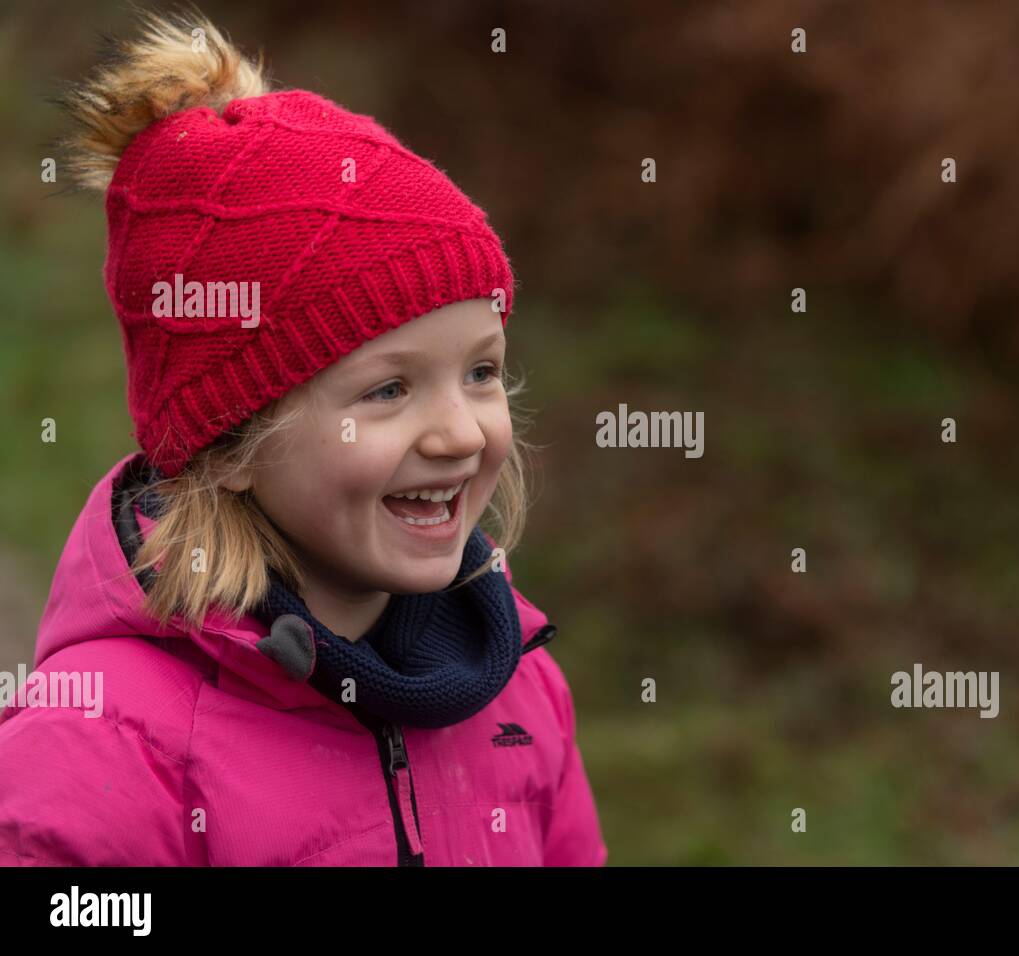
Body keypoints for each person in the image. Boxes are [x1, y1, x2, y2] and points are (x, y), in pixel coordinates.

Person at [0, 9, 607, 866]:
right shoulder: (101, 748)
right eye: (391, 389)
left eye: (480, 372)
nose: (460, 432)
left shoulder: (517, 693)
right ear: (233, 445)